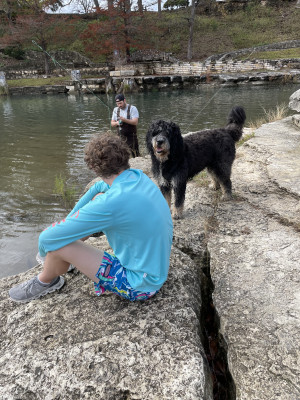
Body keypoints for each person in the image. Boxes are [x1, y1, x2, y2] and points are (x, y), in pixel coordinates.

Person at [9, 133, 173, 303]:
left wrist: (45, 255)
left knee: (57, 246)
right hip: (155, 269)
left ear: (94, 168)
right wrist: (72, 218)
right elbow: (99, 186)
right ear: (125, 157)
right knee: (75, 224)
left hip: (140, 285)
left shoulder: (111, 202)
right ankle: (62, 262)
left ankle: (46, 281)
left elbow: (47, 238)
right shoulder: (137, 177)